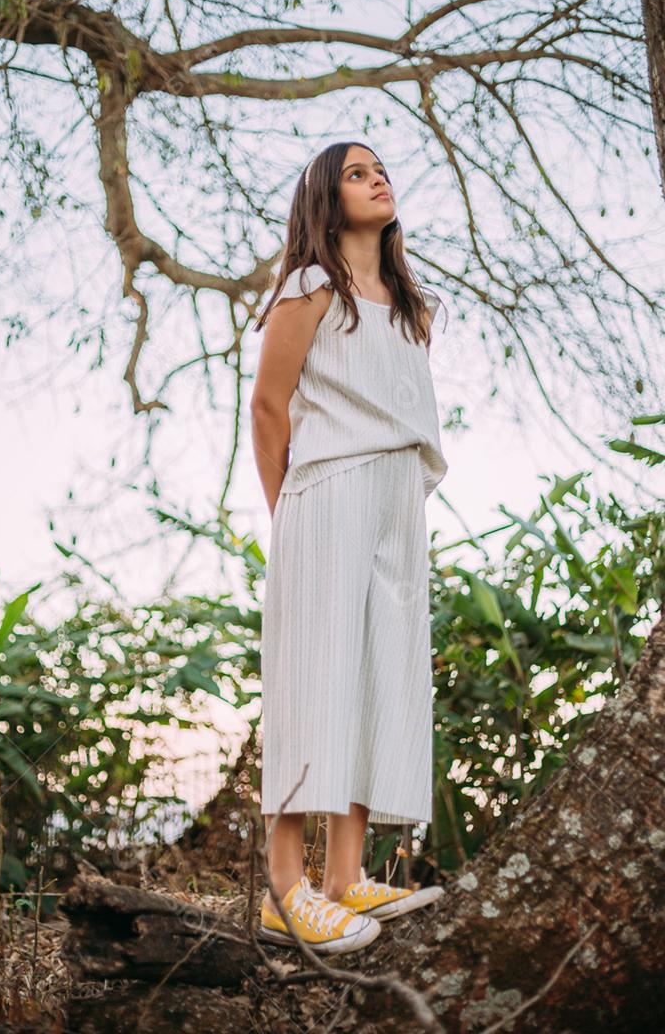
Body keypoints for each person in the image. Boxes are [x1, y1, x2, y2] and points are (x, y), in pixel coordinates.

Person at [249, 141, 447, 954]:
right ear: (328, 199)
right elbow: (268, 407)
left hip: (398, 502)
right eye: (357, 173)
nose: (378, 179)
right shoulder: (309, 287)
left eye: (381, 169)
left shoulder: (409, 306)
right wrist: (289, 513)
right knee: (317, 677)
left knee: (376, 674)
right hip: (326, 494)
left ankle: (344, 878)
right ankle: (285, 887)